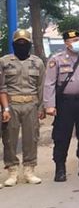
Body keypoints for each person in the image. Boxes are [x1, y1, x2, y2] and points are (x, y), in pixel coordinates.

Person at [43, 30, 79, 182]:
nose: (77, 42)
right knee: (62, 136)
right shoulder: (56, 59)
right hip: (64, 103)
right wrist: (50, 105)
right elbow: (49, 84)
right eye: (73, 40)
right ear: (66, 43)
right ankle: (60, 169)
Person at [0, 29, 45, 186]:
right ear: (13, 44)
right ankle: (12, 171)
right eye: (18, 43)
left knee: (31, 138)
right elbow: (2, 87)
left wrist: (41, 108)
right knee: (9, 139)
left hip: (31, 104)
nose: (21, 45)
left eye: (24, 43)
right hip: (11, 105)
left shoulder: (37, 62)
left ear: (29, 44)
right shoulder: (4, 62)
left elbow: (41, 87)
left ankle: (29, 170)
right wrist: (5, 109)